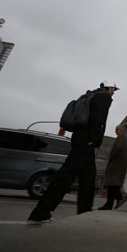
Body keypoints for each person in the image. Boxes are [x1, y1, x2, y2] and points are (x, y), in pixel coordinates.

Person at [28, 80, 119, 223]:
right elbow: (97, 119)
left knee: (89, 177)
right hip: (85, 139)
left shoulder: (91, 94)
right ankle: (41, 212)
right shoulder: (104, 96)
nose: (114, 92)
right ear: (110, 88)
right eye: (114, 89)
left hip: (80, 136)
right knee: (66, 175)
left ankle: (84, 213)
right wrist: (94, 138)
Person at [98, 125, 127, 210]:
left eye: (117, 130)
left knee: (112, 184)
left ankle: (119, 198)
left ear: (121, 130)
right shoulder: (126, 138)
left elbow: (116, 149)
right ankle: (109, 204)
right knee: (113, 185)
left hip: (116, 164)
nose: (115, 132)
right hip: (120, 165)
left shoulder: (121, 137)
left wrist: (110, 158)